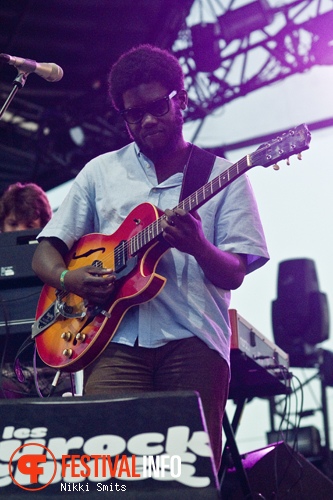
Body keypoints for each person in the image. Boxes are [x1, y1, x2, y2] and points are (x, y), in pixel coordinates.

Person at [32, 44, 269, 470]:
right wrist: (70, 280)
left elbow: (235, 272)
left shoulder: (221, 177)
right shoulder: (100, 172)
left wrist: (199, 246)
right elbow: (46, 253)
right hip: (112, 344)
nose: (146, 121)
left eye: (157, 108)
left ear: (182, 100)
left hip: (193, 341)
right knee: (106, 475)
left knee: (189, 476)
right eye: (133, 115)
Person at [0, 182, 70, 398]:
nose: (20, 231)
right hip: (6, 371)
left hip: (59, 370)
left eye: (29, 225)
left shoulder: (64, 256)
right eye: (13, 224)